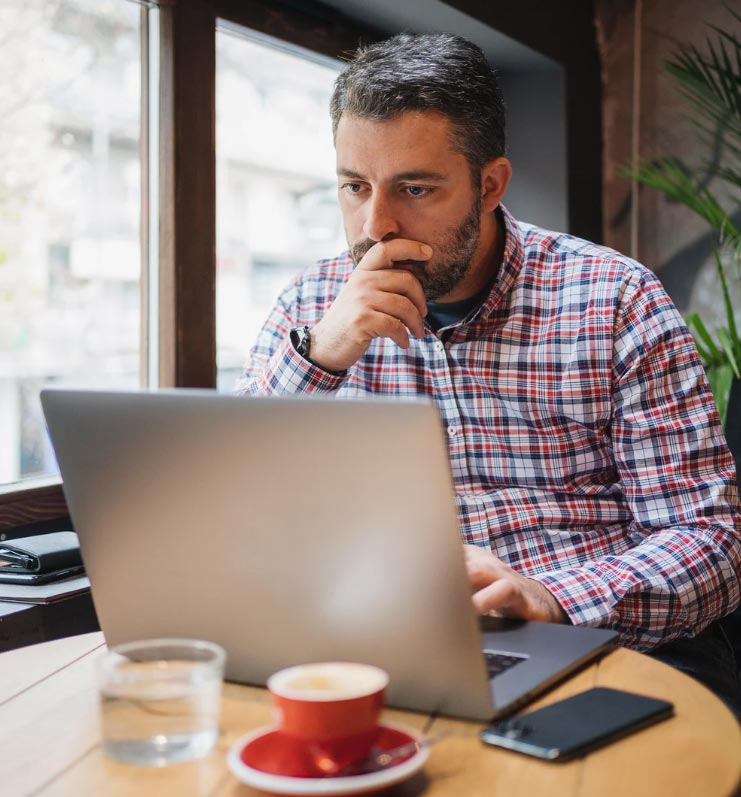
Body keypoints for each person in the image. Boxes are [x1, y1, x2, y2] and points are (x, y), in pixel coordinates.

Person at [236, 33, 741, 717]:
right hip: (381, 645)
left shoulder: (615, 298)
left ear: (490, 183)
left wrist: (553, 598)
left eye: (414, 189)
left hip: (602, 643)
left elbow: (711, 542)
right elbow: (240, 515)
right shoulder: (308, 307)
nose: (374, 224)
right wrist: (321, 355)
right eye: (354, 187)